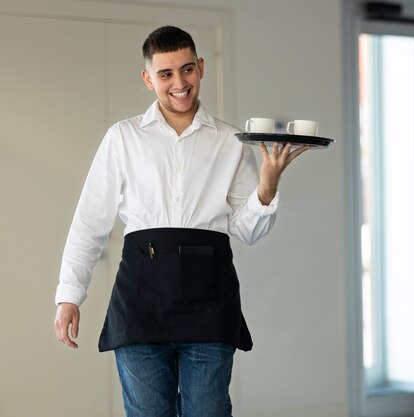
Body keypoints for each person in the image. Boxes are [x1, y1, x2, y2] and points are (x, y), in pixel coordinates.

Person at [53, 25, 308, 417]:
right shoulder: (122, 138)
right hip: (140, 305)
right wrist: (70, 294)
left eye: (187, 70)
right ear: (148, 78)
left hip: (210, 303)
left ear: (201, 68)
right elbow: (90, 222)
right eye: (166, 74)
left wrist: (267, 188)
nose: (180, 83)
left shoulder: (231, 140)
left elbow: (246, 230)